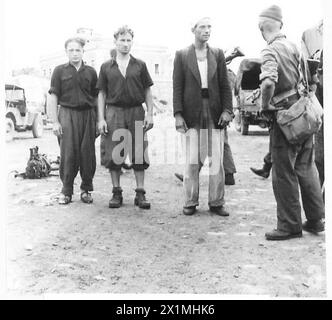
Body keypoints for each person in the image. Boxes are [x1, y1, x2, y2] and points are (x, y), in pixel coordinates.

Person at [258, 5, 325, 240]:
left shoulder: (270, 51)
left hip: (286, 117)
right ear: (281, 26)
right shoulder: (294, 46)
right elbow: (312, 78)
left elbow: (268, 83)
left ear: (261, 28)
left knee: (284, 171)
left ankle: (289, 226)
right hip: (305, 113)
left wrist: (266, 106)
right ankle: (316, 219)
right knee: (307, 168)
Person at [173, 17, 233, 216]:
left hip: (214, 110)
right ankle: (190, 201)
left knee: (216, 156)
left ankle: (216, 202)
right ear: (193, 29)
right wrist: (178, 114)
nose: (207, 30)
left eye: (209, 27)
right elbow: (178, 86)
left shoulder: (217, 54)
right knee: (191, 158)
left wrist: (227, 110)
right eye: (202, 27)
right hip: (192, 112)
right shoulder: (182, 55)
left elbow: (225, 85)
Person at [97, 26, 154, 209]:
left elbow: (147, 90)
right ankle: (116, 192)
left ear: (132, 42)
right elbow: (102, 94)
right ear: (115, 42)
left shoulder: (140, 65)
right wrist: (101, 118)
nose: (125, 44)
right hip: (114, 112)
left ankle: (140, 193)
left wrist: (150, 114)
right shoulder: (106, 67)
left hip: (136, 111)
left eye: (129, 40)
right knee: (115, 152)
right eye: (122, 40)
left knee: (138, 152)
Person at [48, 37, 98, 205]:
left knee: (87, 154)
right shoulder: (59, 71)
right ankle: (66, 191)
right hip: (67, 115)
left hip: (87, 115)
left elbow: (97, 98)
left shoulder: (91, 72)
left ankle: (86, 190)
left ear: (83, 52)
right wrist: (55, 122)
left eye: (78, 50)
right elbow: (53, 97)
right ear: (66, 52)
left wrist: (99, 120)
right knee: (68, 154)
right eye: (71, 50)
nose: (75, 53)